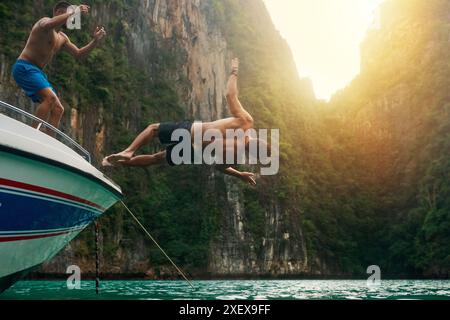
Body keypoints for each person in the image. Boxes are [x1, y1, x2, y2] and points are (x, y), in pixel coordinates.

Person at [103, 58, 261, 186]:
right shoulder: (235, 156)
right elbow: (220, 167)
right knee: (156, 159)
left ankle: (128, 151)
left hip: (193, 132)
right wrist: (240, 175)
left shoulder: (246, 122)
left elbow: (230, 95)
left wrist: (234, 71)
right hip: (195, 152)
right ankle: (116, 163)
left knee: (154, 129)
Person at [12, 1, 107, 130]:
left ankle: (46, 142)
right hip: (24, 67)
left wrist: (95, 41)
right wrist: (74, 11)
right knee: (50, 98)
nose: (72, 18)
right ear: (59, 13)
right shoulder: (44, 23)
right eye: (70, 15)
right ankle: (33, 133)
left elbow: (78, 54)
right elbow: (48, 23)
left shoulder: (62, 37)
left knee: (58, 109)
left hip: (37, 72)